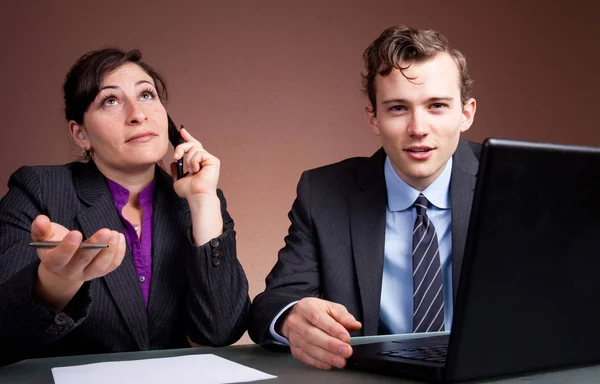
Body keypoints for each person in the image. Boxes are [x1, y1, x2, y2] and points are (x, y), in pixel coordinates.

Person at [248, 25, 479, 370]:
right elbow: (272, 303)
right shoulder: (324, 193)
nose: (418, 128)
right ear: (373, 117)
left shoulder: (511, 181)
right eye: (399, 108)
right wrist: (291, 318)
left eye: (437, 106)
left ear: (465, 113)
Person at [0, 48, 250, 365]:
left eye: (147, 95)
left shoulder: (200, 203)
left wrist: (202, 201)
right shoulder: (39, 190)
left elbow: (220, 331)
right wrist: (54, 283)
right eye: (111, 100)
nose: (137, 114)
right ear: (80, 134)